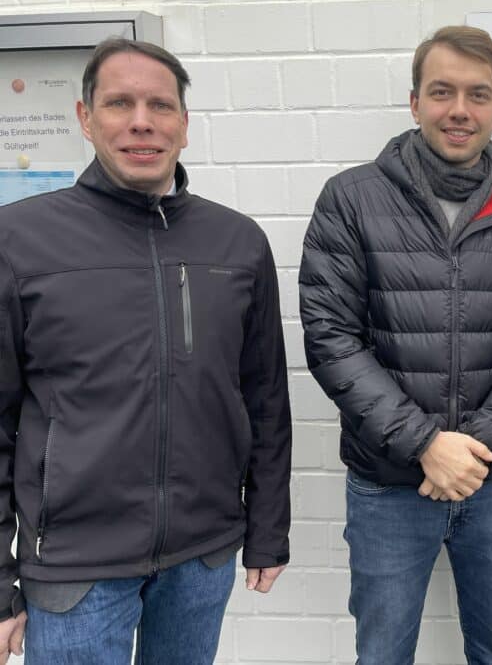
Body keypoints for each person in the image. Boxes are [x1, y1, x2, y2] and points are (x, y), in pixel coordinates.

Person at [0, 38, 292, 665]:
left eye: (160, 105)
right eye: (119, 103)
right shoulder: (19, 242)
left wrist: (267, 530)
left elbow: (265, 399)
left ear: (184, 126)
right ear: (85, 118)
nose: (141, 121)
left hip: (202, 556)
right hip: (75, 569)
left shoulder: (237, 243)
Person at [300, 25, 492, 664]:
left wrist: (476, 447)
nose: (460, 110)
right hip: (388, 485)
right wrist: (424, 443)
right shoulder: (352, 199)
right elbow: (330, 335)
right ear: (415, 101)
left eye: (478, 94)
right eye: (442, 91)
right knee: (383, 655)